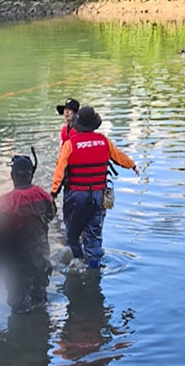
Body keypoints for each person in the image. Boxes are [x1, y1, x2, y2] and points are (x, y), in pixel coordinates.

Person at [50, 106, 136, 270]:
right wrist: (133, 165)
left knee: (72, 234)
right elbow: (120, 157)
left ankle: (78, 263)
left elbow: (59, 171)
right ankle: (94, 265)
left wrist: (53, 193)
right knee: (94, 233)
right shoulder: (104, 141)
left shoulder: (70, 144)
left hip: (76, 196)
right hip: (99, 195)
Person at [0, 151, 55, 313]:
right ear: (30, 174)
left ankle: (22, 327)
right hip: (41, 256)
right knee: (40, 299)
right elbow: (51, 216)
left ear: (13, 175)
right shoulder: (43, 195)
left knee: (19, 306)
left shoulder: (6, 200)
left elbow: (0, 229)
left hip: (17, 260)